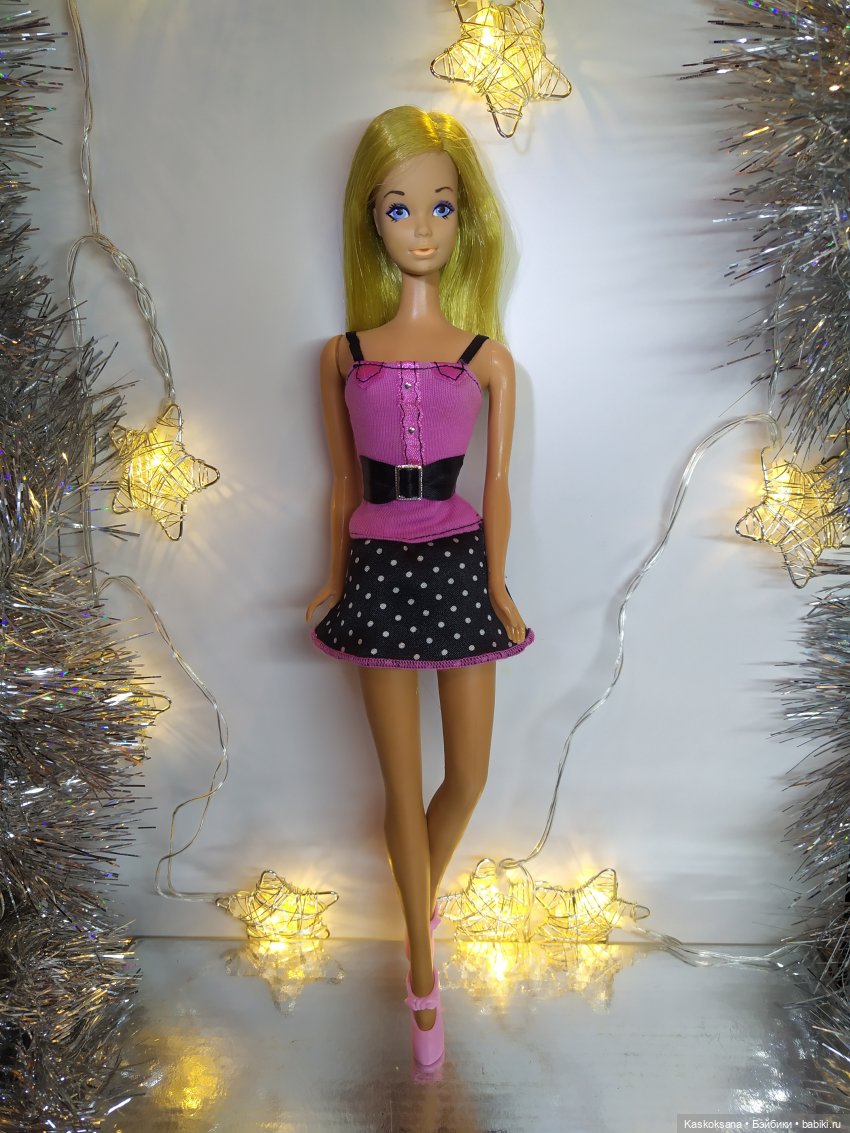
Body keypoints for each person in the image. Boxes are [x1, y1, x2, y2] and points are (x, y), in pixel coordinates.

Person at [305, 105, 533, 1067]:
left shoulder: (488, 359)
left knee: (466, 775)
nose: (423, 228)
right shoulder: (343, 355)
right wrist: (330, 581)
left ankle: (416, 893)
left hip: (456, 564)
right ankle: (422, 972)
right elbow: (340, 484)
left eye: (441, 205)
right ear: (372, 219)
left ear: (464, 216)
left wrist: (501, 587)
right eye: (400, 207)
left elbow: (497, 485)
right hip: (376, 570)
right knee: (401, 785)